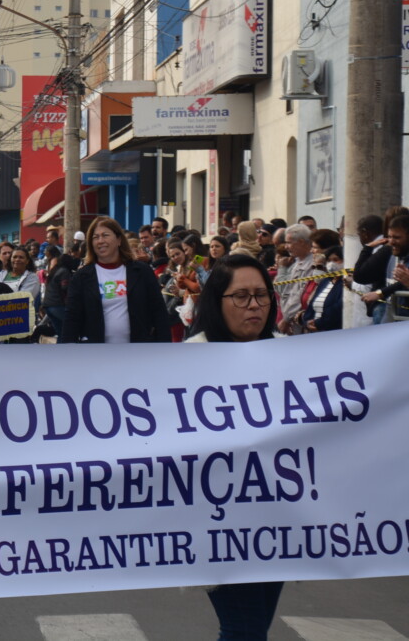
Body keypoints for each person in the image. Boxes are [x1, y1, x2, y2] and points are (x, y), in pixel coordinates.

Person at [183, 254, 283, 638]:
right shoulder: (189, 362)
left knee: (254, 626)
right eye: (241, 296)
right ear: (216, 302)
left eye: (261, 295)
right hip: (220, 522)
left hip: (280, 520)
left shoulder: (292, 356)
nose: (254, 305)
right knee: (244, 627)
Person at [60, 217, 169, 344]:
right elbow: (72, 318)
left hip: (138, 349)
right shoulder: (81, 277)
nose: (100, 241)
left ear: (119, 240)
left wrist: (164, 346)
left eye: (105, 235)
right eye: (95, 237)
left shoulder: (142, 271)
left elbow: (159, 311)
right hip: (96, 350)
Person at [354, 213, 409, 324]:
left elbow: (400, 285)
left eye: (397, 237)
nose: (391, 242)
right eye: (389, 237)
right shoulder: (392, 255)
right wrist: (367, 248)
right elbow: (360, 275)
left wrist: (380, 293)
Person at [275, 223, 315, 334]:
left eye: (289, 242)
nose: (286, 247)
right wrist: (282, 269)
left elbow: (300, 294)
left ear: (301, 242)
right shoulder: (296, 262)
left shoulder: (312, 264)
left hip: (301, 323)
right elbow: (283, 290)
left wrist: (286, 319)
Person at [301, 245, 344, 333]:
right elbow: (311, 306)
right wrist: (307, 322)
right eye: (329, 260)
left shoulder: (345, 283)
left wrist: (318, 324)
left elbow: (337, 309)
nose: (331, 264)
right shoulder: (325, 281)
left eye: (336, 260)